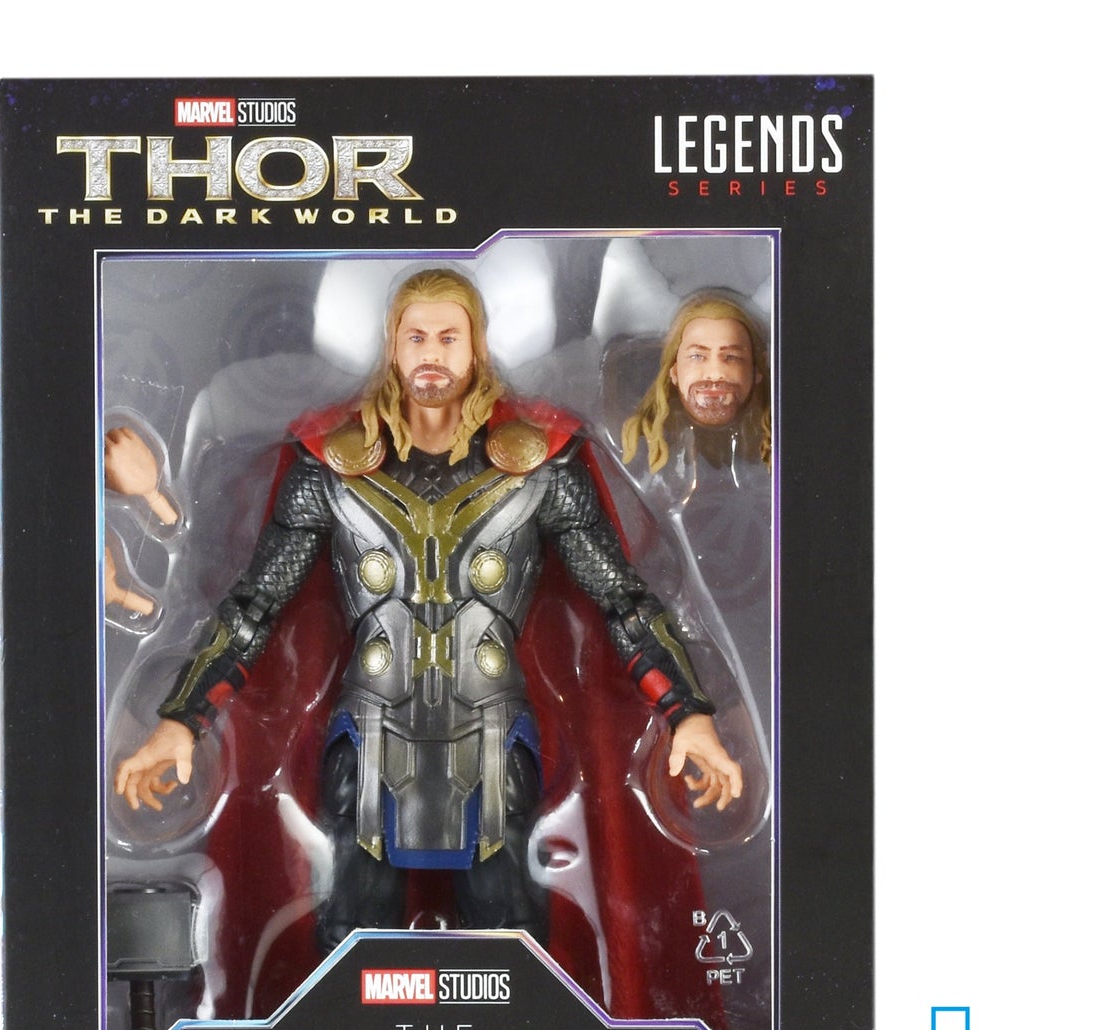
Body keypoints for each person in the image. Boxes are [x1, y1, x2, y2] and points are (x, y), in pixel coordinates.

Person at [115, 267, 742, 958]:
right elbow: (255, 604)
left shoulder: (542, 461)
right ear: (393, 345)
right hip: (368, 737)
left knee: (508, 950)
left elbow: (622, 598)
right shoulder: (328, 462)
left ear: (476, 346)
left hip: (494, 738)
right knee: (354, 950)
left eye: (448, 337)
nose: (432, 353)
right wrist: (182, 720)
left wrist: (688, 713)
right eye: (416, 337)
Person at [622, 292, 770, 472]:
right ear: (674, 370)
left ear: (756, 370)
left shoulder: (782, 439)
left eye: (731, 357)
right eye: (697, 356)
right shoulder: (639, 444)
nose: (715, 374)